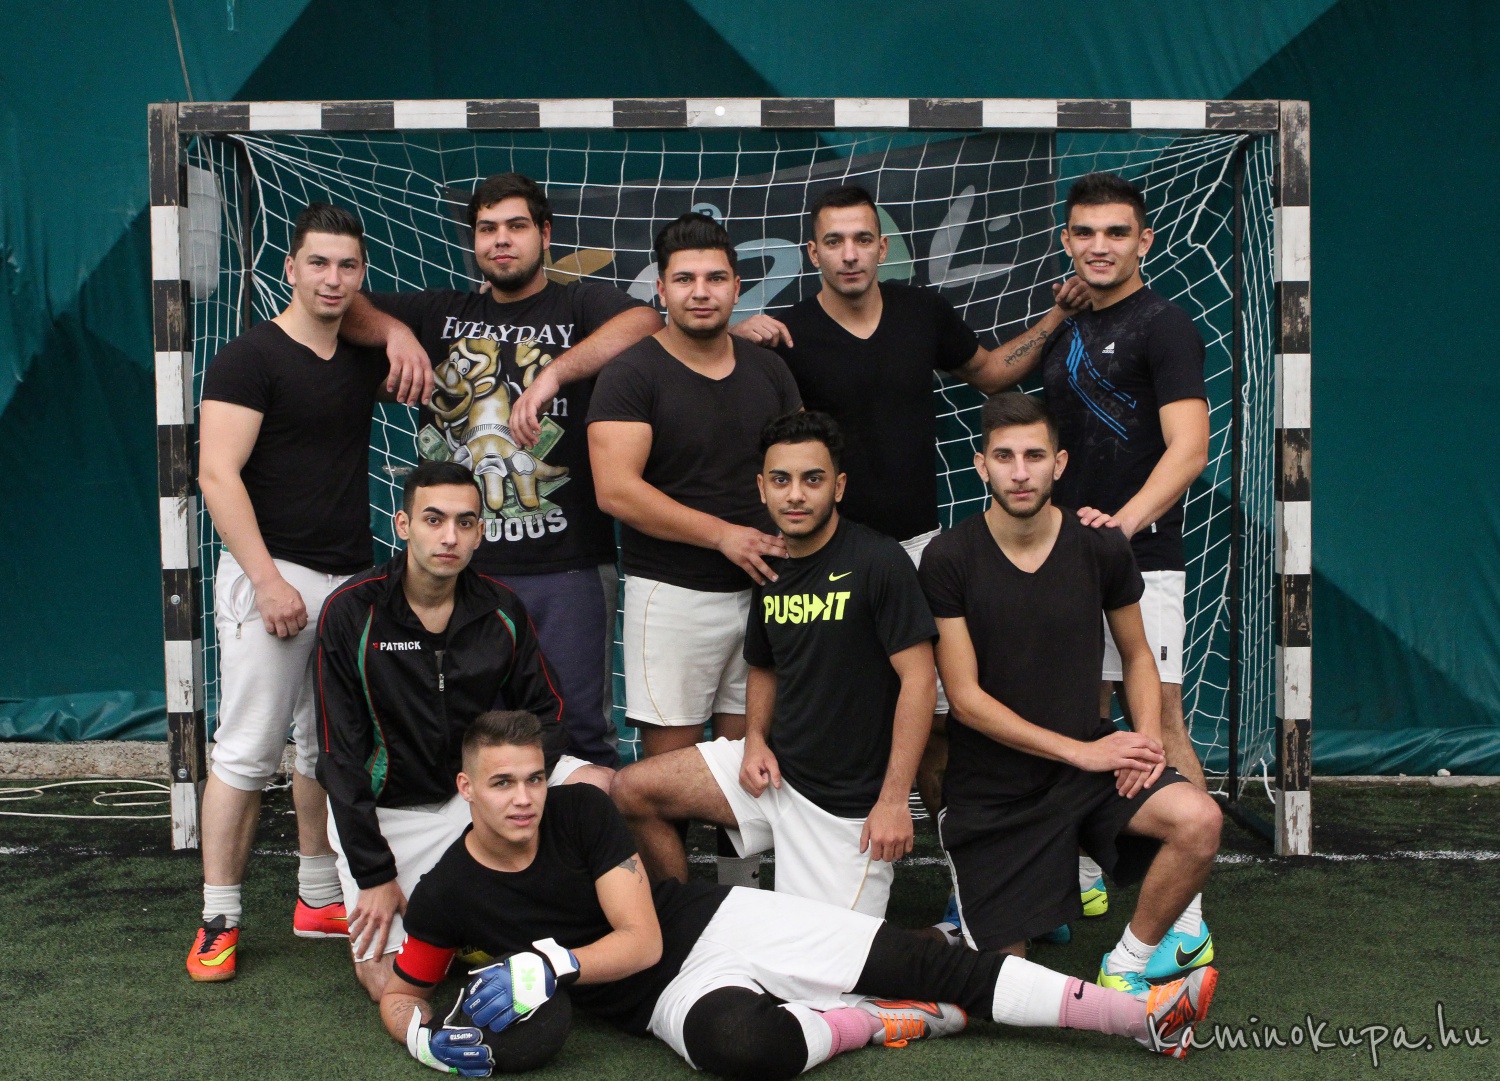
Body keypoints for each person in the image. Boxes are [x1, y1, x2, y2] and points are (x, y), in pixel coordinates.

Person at [377, 710, 1219, 1080]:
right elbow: (402, 985)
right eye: (502, 783)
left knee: (931, 962)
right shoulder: (449, 888)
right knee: (746, 1050)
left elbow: (640, 938)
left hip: (712, 924)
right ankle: (885, 1021)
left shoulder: (579, 811)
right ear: (467, 788)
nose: (523, 797)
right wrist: (422, 1040)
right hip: (666, 1002)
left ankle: (1144, 1018)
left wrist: (551, 963)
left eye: (532, 777)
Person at [731, 184, 1091, 823]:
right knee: (833, 711)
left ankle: (963, 862)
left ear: (883, 247)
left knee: (943, 719)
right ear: (812, 252)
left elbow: (991, 373)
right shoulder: (786, 334)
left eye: (862, 240)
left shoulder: (922, 310)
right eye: (834, 242)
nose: (849, 255)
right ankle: (835, 840)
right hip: (829, 560)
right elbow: (716, 374)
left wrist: (1056, 318)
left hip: (919, 549)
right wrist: (733, 332)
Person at [340, 172, 663, 772]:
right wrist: (396, 332)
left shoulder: (576, 305)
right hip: (463, 570)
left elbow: (645, 323)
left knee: (579, 732)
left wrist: (553, 374)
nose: (501, 240)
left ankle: (584, 834)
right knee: (468, 734)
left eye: (516, 226)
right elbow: (344, 307)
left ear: (545, 234)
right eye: (487, 229)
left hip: (566, 565)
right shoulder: (442, 312)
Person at [190, 202, 432, 982]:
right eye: (318, 263)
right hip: (273, 575)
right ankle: (218, 917)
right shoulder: (248, 358)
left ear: (362, 274)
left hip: (349, 578)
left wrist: (397, 334)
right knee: (247, 749)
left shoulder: (361, 358)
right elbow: (215, 474)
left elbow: (376, 330)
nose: (333, 278)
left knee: (326, 746)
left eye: (347, 265)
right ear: (289, 268)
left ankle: (318, 893)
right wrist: (266, 581)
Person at [918, 393, 1222, 997]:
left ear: (1059, 463)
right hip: (995, 789)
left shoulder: (1100, 544)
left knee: (1199, 819)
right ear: (981, 466)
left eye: (1034, 456)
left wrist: (1146, 743)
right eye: (1004, 457)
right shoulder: (948, 556)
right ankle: (987, 919)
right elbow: (965, 698)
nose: (1020, 472)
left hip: (1089, 772)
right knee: (1005, 979)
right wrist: (1082, 752)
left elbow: (1138, 656)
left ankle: (1127, 964)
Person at [992, 172, 1214, 958]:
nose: (1099, 245)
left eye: (1116, 232)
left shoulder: (1166, 325)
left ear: (1144, 240)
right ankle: (1073, 875)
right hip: (1061, 554)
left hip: (1139, 554)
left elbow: (1190, 449)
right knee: (1071, 715)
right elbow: (993, 378)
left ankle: (1184, 917)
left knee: (1162, 720)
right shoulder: (1069, 323)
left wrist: (1121, 525)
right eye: (1084, 231)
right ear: (1065, 240)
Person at [612, 411, 936, 918]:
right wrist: (756, 740)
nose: (796, 495)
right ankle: (681, 923)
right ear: (762, 489)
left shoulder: (879, 561)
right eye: (781, 480)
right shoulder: (773, 566)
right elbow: (764, 666)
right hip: (776, 775)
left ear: (839, 486)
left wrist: (894, 799)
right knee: (631, 789)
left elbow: (919, 680)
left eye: (813, 480)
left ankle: (936, 940)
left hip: (844, 806)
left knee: (829, 960)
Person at [317, 461, 612, 1001]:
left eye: (465, 522)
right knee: (387, 984)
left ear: (479, 532)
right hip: (389, 815)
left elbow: (548, 715)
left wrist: (496, 782)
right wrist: (374, 873)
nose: (449, 536)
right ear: (403, 525)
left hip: (472, 796)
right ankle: (464, 924)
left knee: (601, 784)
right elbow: (339, 756)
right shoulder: (351, 611)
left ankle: (601, 923)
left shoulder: (500, 608)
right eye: (433, 519)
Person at [587, 212, 802, 886]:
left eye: (715, 277)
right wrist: (723, 535)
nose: (700, 291)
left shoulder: (769, 371)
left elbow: (797, 469)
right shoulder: (631, 374)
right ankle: (675, 911)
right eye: (684, 279)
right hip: (673, 595)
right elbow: (616, 490)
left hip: (765, 593)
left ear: (738, 286)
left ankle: (739, 905)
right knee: (668, 771)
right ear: (660, 288)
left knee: (745, 764)